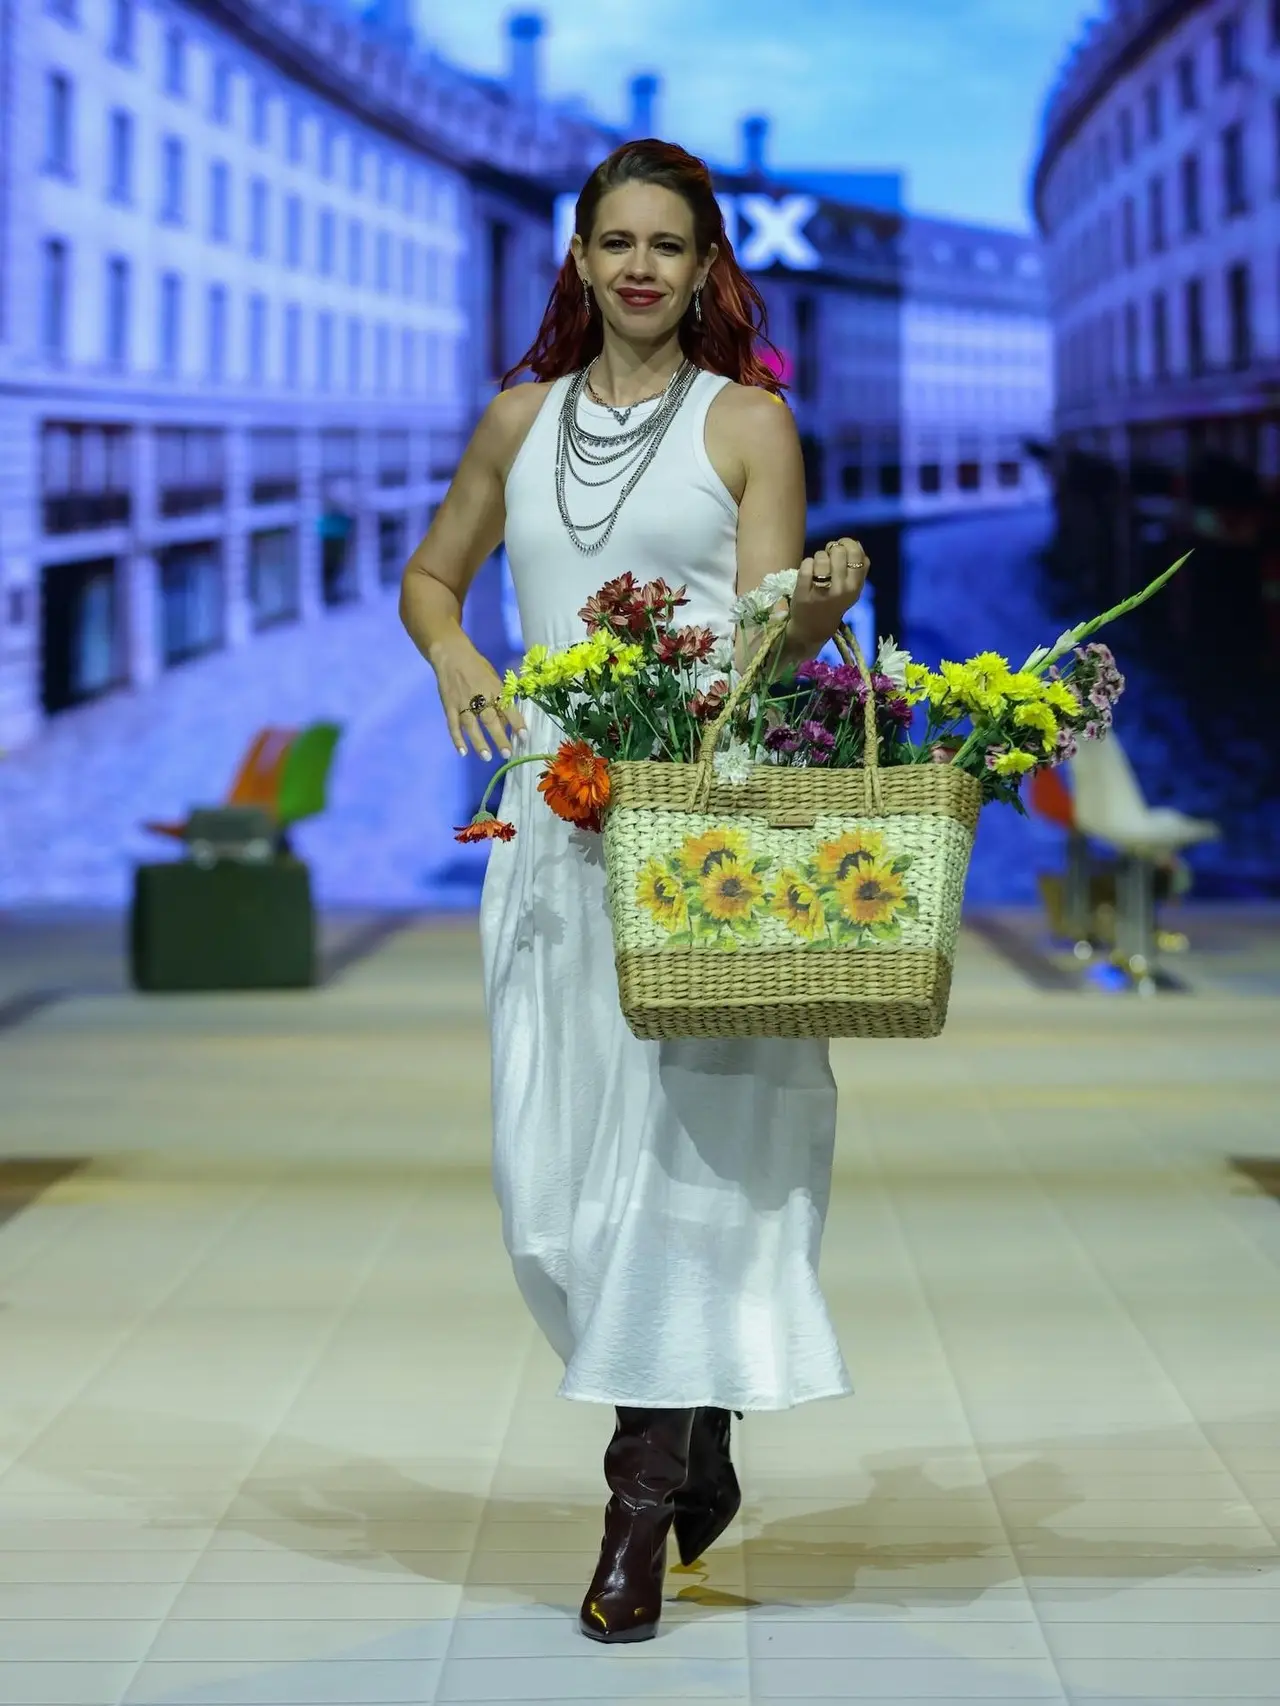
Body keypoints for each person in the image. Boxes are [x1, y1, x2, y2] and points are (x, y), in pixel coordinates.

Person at [399, 139, 869, 1644]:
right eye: (619, 242)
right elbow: (431, 576)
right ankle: (702, 1417)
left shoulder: (749, 423)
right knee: (551, 1192)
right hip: (548, 825)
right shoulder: (517, 421)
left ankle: (637, 1501)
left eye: (672, 243)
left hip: (701, 834)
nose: (644, 267)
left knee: (672, 1166)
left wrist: (813, 612)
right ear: (583, 258)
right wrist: (459, 653)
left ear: (708, 263)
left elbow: (761, 652)